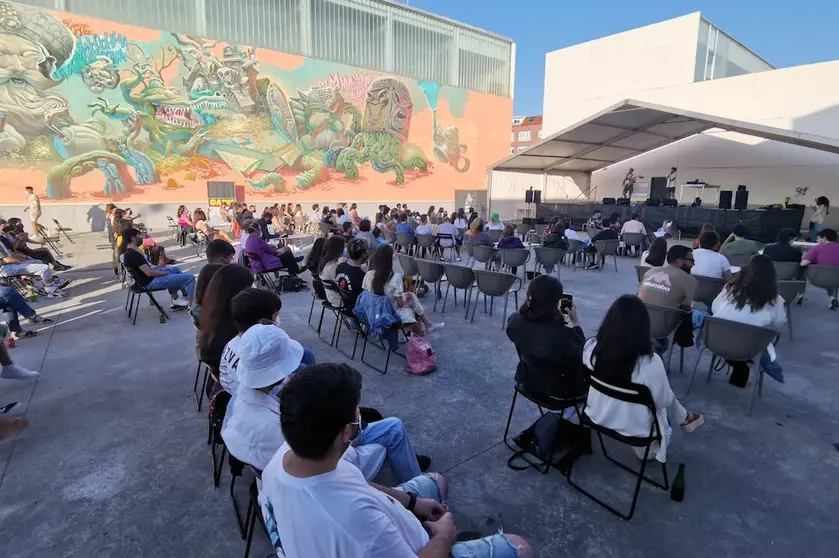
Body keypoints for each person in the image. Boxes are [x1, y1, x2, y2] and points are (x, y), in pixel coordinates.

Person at [261, 363, 535, 558]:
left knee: (436, 482)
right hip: (415, 547)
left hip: (383, 526)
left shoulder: (287, 457)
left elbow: (355, 482)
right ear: (346, 431)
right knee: (519, 547)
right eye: (357, 410)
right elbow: (353, 512)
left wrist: (412, 503)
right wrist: (443, 535)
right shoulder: (354, 521)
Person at [583, 295, 703, 462]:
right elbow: (662, 402)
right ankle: (684, 418)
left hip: (598, 415)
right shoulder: (651, 362)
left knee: (655, 390)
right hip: (637, 429)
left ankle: (684, 418)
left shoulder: (591, 348)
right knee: (662, 395)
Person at [506, 275, 586, 400]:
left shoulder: (515, 321)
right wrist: (575, 324)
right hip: (558, 394)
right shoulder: (565, 335)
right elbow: (583, 353)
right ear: (556, 302)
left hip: (526, 382)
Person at [218, 288, 313, 394]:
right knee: (306, 372)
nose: (277, 319)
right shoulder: (260, 352)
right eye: (276, 315)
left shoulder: (232, 343)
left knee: (306, 354)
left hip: (236, 391)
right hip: (266, 398)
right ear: (264, 323)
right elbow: (278, 386)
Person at [711, 255, 786, 386]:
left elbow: (714, 308)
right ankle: (740, 364)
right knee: (760, 336)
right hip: (750, 348)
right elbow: (779, 323)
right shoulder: (775, 299)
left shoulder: (731, 288)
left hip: (717, 340)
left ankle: (736, 363)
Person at [363, 245, 443, 337]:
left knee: (410, 296)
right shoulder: (395, 277)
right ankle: (425, 329)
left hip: (373, 312)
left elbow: (367, 295)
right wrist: (406, 300)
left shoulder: (368, 275)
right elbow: (401, 304)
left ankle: (426, 327)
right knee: (411, 302)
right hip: (389, 316)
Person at [120, 228, 195, 310]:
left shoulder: (129, 252)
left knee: (175, 270)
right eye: (139, 236)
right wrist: (164, 273)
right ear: (132, 238)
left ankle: (177, 299)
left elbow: (147, 270)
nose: (141, 238)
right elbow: (149, 273)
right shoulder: (132, 255)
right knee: (191, 278)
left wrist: (161, 269)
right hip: (149, 282)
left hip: (145, 280)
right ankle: (190, 304)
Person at [197, 263, 254, 371]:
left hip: (217, 361)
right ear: (238, 290)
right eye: (248, 287)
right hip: (233, 370)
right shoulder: (234, 321)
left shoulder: (212, 307)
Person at [638, 245, 696, 310]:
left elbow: (639, 294)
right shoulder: (689, 280)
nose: (693, 264)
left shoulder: (651, 271)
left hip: (640, 315)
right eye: (691, 260)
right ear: (679, 261)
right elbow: (686, 308)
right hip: (666, 319)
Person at [5, 219, 71, 271]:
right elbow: (15, 248)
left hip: (28, 251)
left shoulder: (20, 232)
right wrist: (19, 239)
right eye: (19, 223)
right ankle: (56, 265)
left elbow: (28, 240)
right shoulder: (11, 234)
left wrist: (40, 243)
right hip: (23, 253)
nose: (21, 225)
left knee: (44, 251)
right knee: (44, 251)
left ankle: (55, 265)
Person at [801, 228, 839, 309]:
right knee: (832, 275)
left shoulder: (817, 248)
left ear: (824, 238)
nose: (817, 240)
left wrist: (805, 256)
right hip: (837, 280)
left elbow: (803, 263)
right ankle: (832, 298)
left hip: (817, 279)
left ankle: (801, 294)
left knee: (802, 269)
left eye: (819, 238)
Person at [336, 239, 368, 312]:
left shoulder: (340, 267)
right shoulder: (361, 275)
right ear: (363, 254)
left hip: (345, 304)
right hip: (357, 309)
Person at [319, 236, 347, 307]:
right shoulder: (333, 267)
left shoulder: (325, 262)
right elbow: (343, 285)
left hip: (331, 297)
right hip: (339, 300)